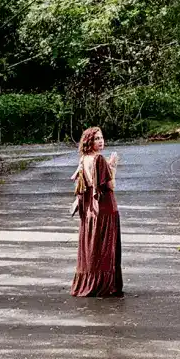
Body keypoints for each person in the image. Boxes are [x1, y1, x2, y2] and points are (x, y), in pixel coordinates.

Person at [70, 127, 124, 298]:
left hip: (90, 211)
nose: (100, 141)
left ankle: (89, 283)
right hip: (105, 209)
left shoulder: (84, 158)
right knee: (105, 248)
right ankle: (104, 285)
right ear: (89, 142)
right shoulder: (99, 160)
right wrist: (113, 166)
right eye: (96, 139)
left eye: (101, 138)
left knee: (93, 246)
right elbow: (110, 186)